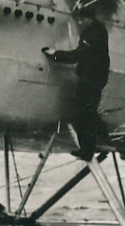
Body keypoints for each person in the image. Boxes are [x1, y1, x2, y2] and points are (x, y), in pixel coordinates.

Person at [42, 18, 110, 160]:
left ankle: (91, 146)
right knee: (84, 114)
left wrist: (55, 55)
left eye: (83, 19)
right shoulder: (96, 35)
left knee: (85, 115)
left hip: (91, 82)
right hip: (90, 81)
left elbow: (76, 55)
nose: (80, 22)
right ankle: (92, 143)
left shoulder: (94, 35)